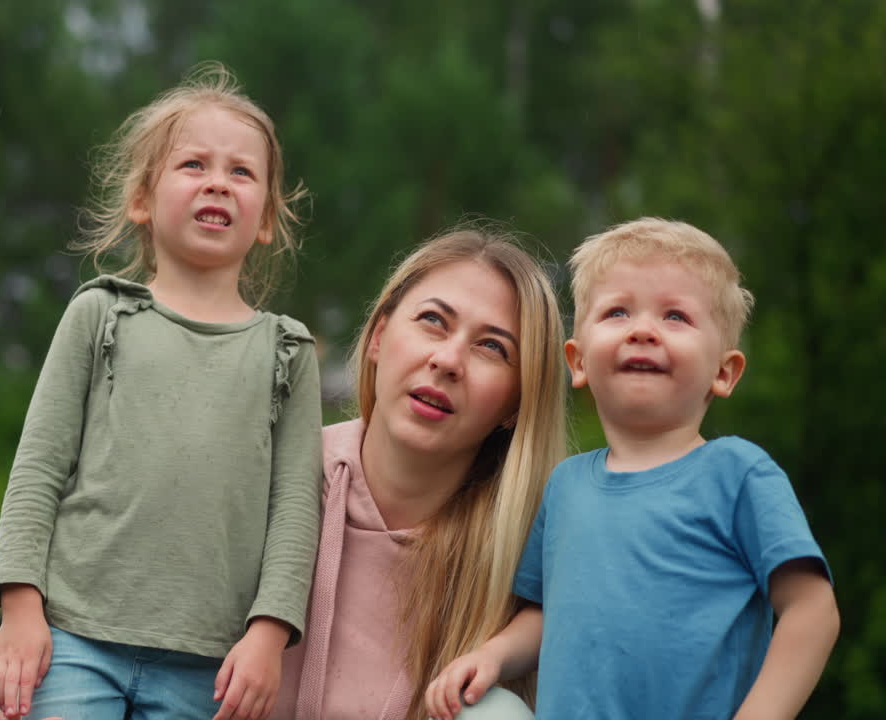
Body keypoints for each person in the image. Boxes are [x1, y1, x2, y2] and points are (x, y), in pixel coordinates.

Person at [0, 62, 322, 720]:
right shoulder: (99, 315)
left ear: (266, 222)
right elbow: (38, 468)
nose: (218, 183)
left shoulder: (288, 352)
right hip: (74, 640)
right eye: (193, 165)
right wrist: (21, 608)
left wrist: (269, 634)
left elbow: (295, 513)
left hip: (210, 667)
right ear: (142, 199)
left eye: (242, 172)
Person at [427, 218, 840, 719]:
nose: (643, 330)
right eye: (618, 312)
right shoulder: (566, 485)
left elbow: (812, 611)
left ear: (724, 372)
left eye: (676, 317)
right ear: (577, 362)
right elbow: (545, 614)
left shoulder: (737, 474)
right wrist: (491, 655)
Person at [272, 227, 569, 720]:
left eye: (492, 348)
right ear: (379, 336)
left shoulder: (531, 546)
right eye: (433, 320)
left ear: (516, 405)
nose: (448, 360)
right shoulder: (275, 477)